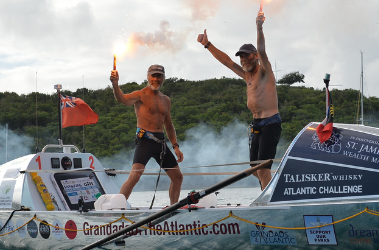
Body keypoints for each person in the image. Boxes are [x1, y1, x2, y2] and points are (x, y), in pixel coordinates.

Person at [197, 11, 281, 189]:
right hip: (257, 124)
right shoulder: (247, 75)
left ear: (255, 56)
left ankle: (267, 202)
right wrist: (207, 45)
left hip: (270, 123)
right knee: (254, 168)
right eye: (242, 56)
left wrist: (258, 27)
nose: (244, 59)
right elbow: (227, 61)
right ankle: (268, 192)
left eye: (247, 55)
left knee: (263, 168)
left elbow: (263, 50)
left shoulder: (264, 72)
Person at [110, 64, 185, 205]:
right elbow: (122, 99)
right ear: (148, 76)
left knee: (178, 177)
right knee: (136, 174)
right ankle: (115, 207)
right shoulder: (140, 95)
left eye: (159, 76)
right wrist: (115, 84)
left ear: (163, 78)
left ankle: (174, 208)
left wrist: (175, 146)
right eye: (153, 75)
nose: (156, 79)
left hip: (161, 143)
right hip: (145, 140)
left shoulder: (166, 100)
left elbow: (169, 125)